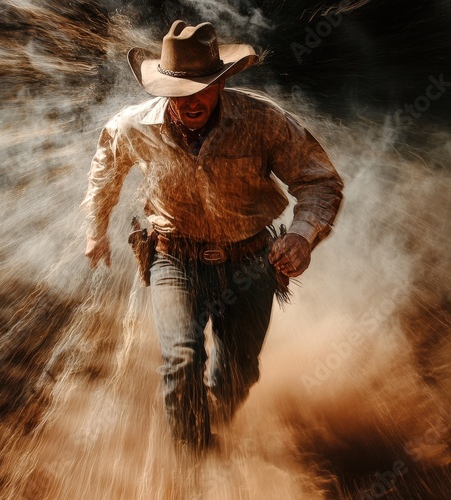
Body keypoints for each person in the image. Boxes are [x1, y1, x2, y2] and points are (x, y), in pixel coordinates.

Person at [82, 20, 343, 453]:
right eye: (178, 90)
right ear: (162, 87)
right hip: (173, 258)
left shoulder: (264, 121)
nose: (189, 101)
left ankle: (215, 423)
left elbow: (320, 181)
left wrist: (301, 236)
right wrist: (96, 230)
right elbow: (103, 175)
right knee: (181, 361)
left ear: (221, 82)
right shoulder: (132, 126)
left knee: (239, 373)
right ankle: (194, 460)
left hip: (251, 262)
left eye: (201, 87)